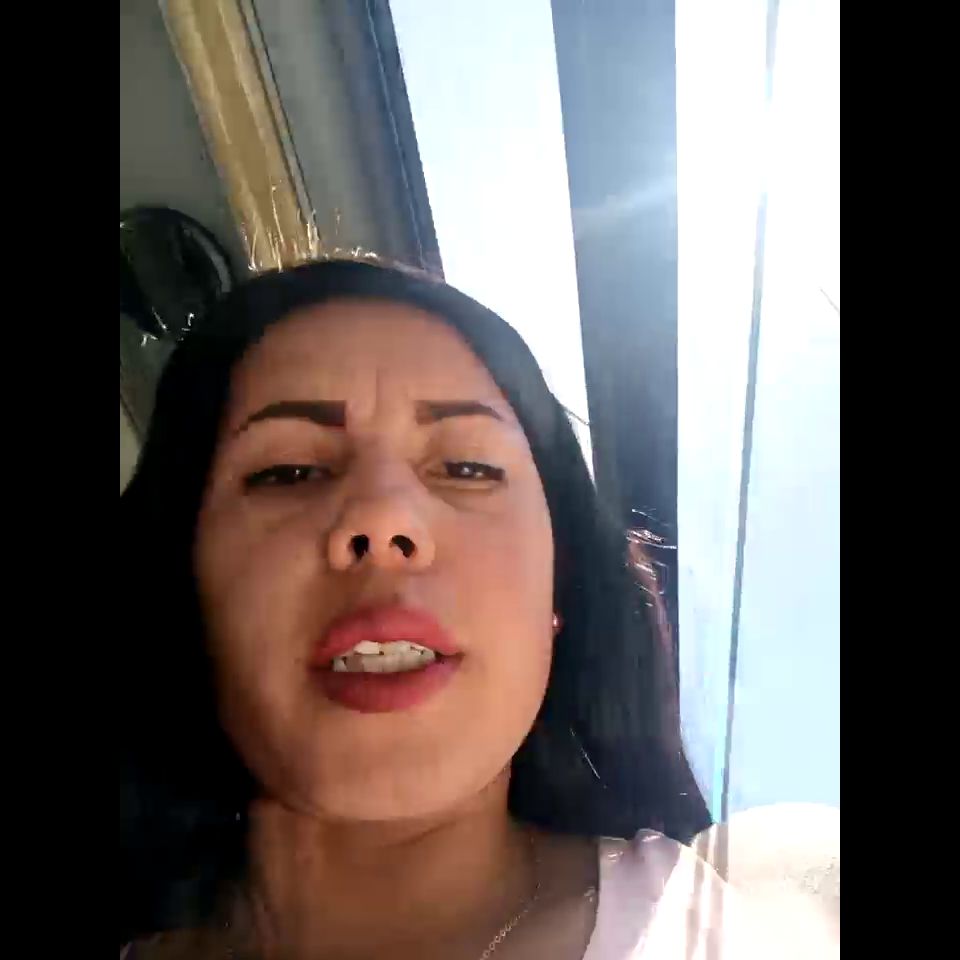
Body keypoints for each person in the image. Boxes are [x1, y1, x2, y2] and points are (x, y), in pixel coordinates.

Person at [120, 260, 831, 958]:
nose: (383, 518)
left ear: (559, 590)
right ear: (183, 575)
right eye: (290, 471)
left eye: (468, 468)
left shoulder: (730, 931)